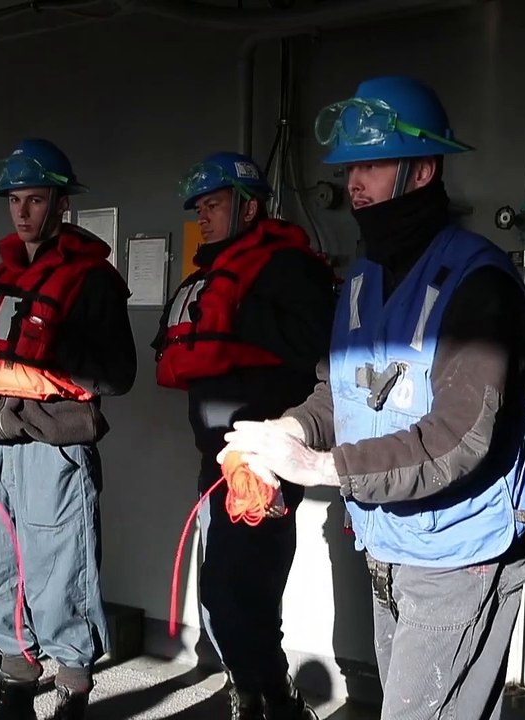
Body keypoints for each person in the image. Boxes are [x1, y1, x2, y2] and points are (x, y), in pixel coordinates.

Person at [220, 75, 525, 720]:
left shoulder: (479, 283)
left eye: (370, 164)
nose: (354, 184)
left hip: (459, 560)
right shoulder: (362, 277)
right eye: (349, 167)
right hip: (390, 549)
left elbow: (456, 438)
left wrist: (321, 468)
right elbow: (338, 390)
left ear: (423, 169)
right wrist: (291, 429)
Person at [0, 138, 136, 719]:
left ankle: (73, 690)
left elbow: (117, 374)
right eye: (15, 200)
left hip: (53, 443)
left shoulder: (93, 280)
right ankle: (13, 687)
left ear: (61, 204)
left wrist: (37, 369)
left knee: (61, 563)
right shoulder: (3, 275)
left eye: (35, 199)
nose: (23, 212)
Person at [153, 151, 334, 719]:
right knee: (224, 591)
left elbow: (319, 354)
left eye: (214, 205)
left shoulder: (287, 269)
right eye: (199, 207)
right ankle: (257, 692)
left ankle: (268, 697)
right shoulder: (207, 278)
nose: (202, 217)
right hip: (216, 461)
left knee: (245, 586)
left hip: (263, 461)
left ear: (249, 207)